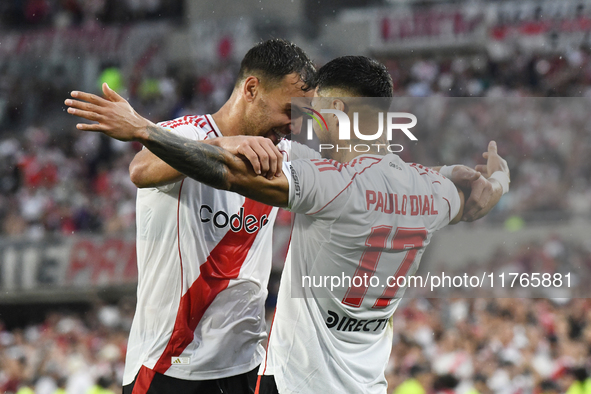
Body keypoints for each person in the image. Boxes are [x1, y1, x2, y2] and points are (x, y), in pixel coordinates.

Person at [66, 56, 509, 393]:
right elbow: (475, 203)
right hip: (367, 381)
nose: (302, 123)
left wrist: (142, 128)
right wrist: (495, 181)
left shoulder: (327, 182)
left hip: (299, 379)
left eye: (312, 110)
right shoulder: (430, 191)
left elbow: (230, 172)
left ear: (335, 108)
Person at [69, 38, 316, 394]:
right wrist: (224, 146)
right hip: (169, 366)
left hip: (243, 367)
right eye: (289, 111)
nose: (294, 125)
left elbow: (351, 179)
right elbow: (141, 169)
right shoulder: (185, 133)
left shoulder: (285, 156)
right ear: (251, 89)